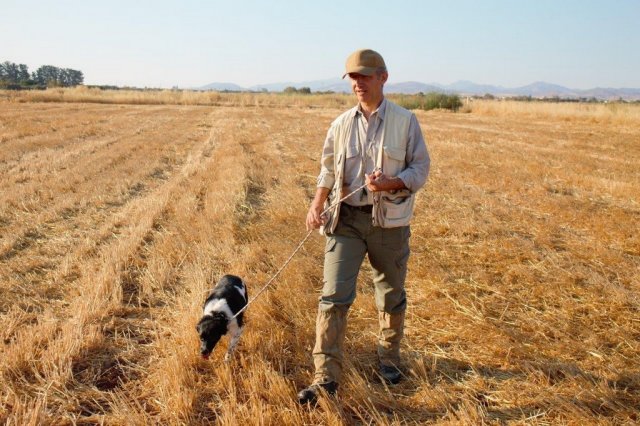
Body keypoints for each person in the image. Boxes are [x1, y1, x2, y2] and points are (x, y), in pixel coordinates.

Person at [298, 49, 430, 405]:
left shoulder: (406, 121)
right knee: (333, 297)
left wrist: (390, 183)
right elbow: (327, 169)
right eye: (352, 77)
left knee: (390, 294)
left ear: (383, 77)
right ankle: (325, 376)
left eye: (364, 76)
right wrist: (316, 204)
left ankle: (389, 360)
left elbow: (420, 171)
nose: (357, 83)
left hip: (389, 223)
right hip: (346, 221)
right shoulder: (340, 124)